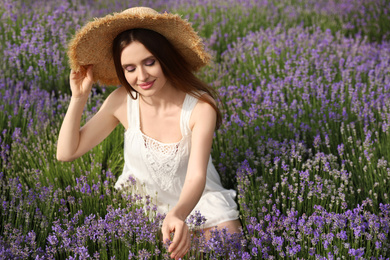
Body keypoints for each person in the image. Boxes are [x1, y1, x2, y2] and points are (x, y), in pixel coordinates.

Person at [57, 6, 241, 260]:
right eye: (130, 68)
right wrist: (78, 98)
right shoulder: (122, 101)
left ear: (165, 58)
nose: (141, 76)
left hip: (195, 202)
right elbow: (67, 152)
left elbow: (196, 176)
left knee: (228, 240)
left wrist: (178, 214)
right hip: (142, 207)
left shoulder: (200, 108)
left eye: (149, 62)